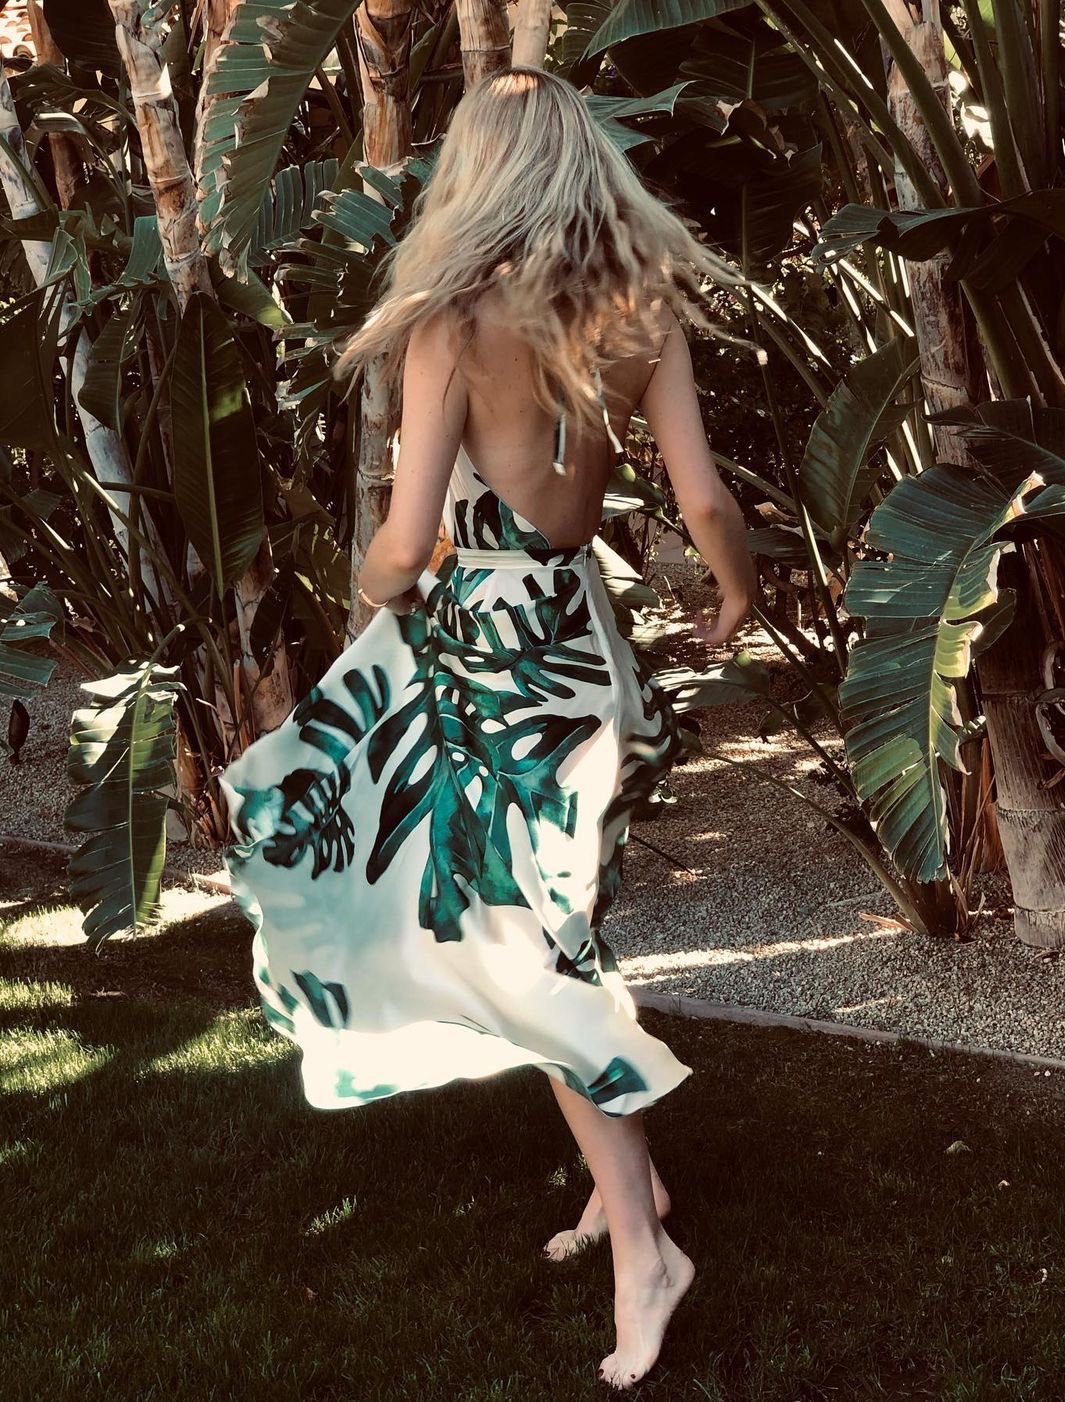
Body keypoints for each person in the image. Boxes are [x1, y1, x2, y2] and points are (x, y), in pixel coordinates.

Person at [219, 67, 755, 1390]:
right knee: (551, 927)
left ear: (477, 174)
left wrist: (375, 587)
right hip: (580, 650)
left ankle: (646, 1252)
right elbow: (703, 499)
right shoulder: (643, 312)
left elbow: (401, 546)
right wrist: (735, 590)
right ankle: (627, 1192)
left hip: (486, 664)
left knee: (529, 946)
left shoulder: (451, 325)